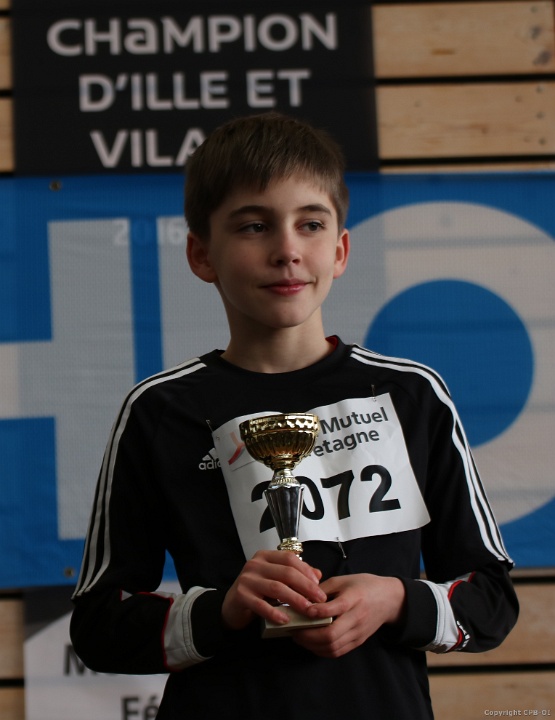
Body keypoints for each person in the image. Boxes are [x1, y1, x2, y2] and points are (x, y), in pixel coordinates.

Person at [70, 112, 519, 720]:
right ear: (201, 254)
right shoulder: (161, 410)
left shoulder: (411, 395)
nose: (286, 251)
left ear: (340, 250)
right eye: (254, 226)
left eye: (310, 224)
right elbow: (98, 625)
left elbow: (491, 602)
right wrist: (224, 610)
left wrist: (394, 599)